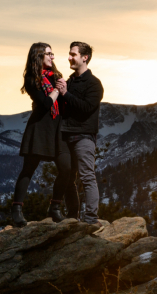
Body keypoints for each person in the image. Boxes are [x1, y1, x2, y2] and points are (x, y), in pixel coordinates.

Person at [11, 42, 75, 226]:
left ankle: (54, 208)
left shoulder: (57, 77)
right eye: (48, 53)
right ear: (39, 56)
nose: (52, 57)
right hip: (39, 129)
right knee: (28, 170)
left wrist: (64, 90)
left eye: (52, 53)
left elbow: (64, 102)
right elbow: (45, 104)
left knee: (66, 168)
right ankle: (16, 210)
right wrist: (57, 90)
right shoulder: (32, 79)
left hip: (58, 130)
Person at [55, 41, 104, 227]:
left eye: (73, 54)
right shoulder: (69, 81)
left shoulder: (94, 84)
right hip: (65, 136)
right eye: (69, 54)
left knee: (87, 176)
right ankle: (72, 216)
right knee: (67, 176)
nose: (69, 57)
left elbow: (86, 108)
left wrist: (65, 94)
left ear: (85, 57)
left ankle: (91, 219)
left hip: (83, 136)